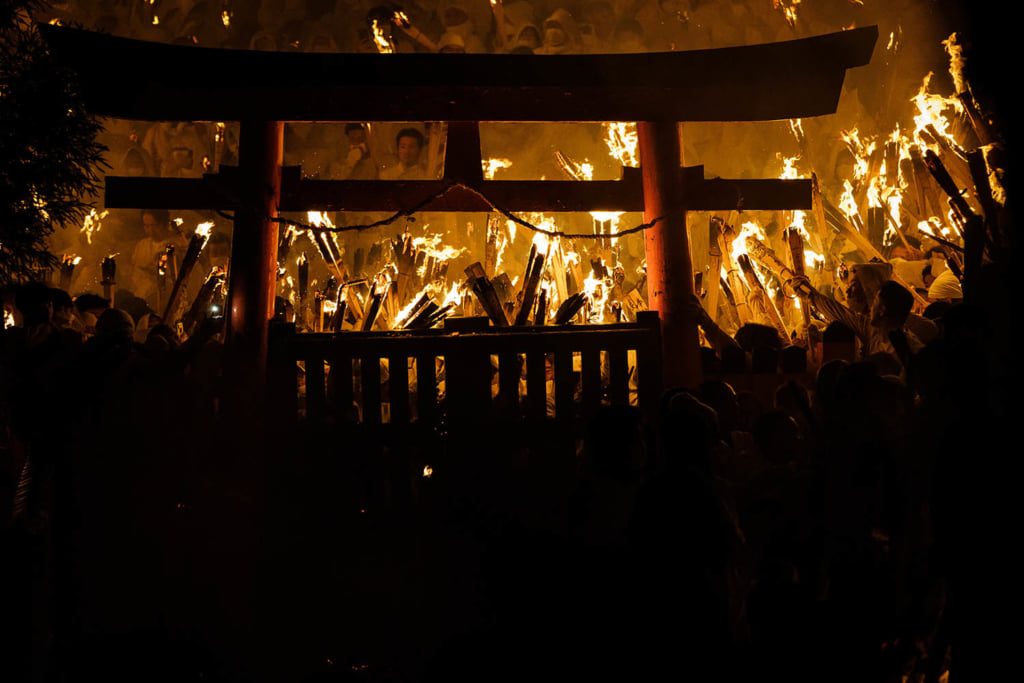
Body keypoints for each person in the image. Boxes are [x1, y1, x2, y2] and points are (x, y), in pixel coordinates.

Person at [130, 209, 187, 310]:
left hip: (167, 299)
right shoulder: (142, 245)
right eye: (147, 226)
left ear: (163, 224)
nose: (151, 230)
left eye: (154, 225)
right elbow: (135, 272)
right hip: (142, 297)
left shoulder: (174, 246)